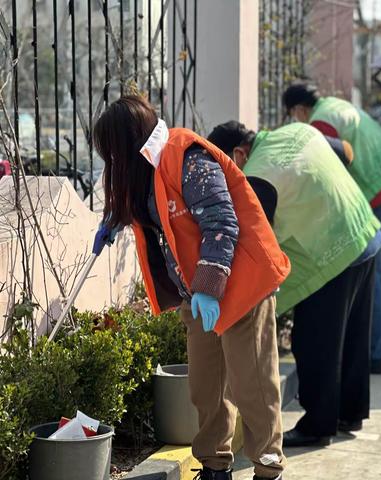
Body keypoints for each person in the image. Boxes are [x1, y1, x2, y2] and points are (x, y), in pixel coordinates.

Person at [92, 95, 291, 480]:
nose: (112, 162)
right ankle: (215, 467)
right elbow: (153, 210)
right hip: (199, 294)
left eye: (113, 152)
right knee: (206, 388)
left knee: (252, 386)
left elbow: (221, 223)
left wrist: (209, 287)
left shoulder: (187, 157)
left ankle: (269, 470)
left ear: (129, 141)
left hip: (240, 284)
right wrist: (116, 219)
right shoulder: (144, 168)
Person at [207, 120, 381, 447]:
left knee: (314, 340)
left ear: (238, 153)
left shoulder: (257, 176)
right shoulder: (295, 131)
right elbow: (346, 152)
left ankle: (318, 426)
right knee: (353, 336)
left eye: (223, 169)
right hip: (364, 232)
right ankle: (350, 413)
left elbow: (255, 242)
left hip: (330, 254)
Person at [283, 82, 381, 374]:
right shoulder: (341, 106)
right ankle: (380, 347)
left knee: (374, 275)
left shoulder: (321, 122)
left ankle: (374, 354)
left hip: (377, 194)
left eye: (293, 117)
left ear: (298, 109)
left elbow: (325, 169)